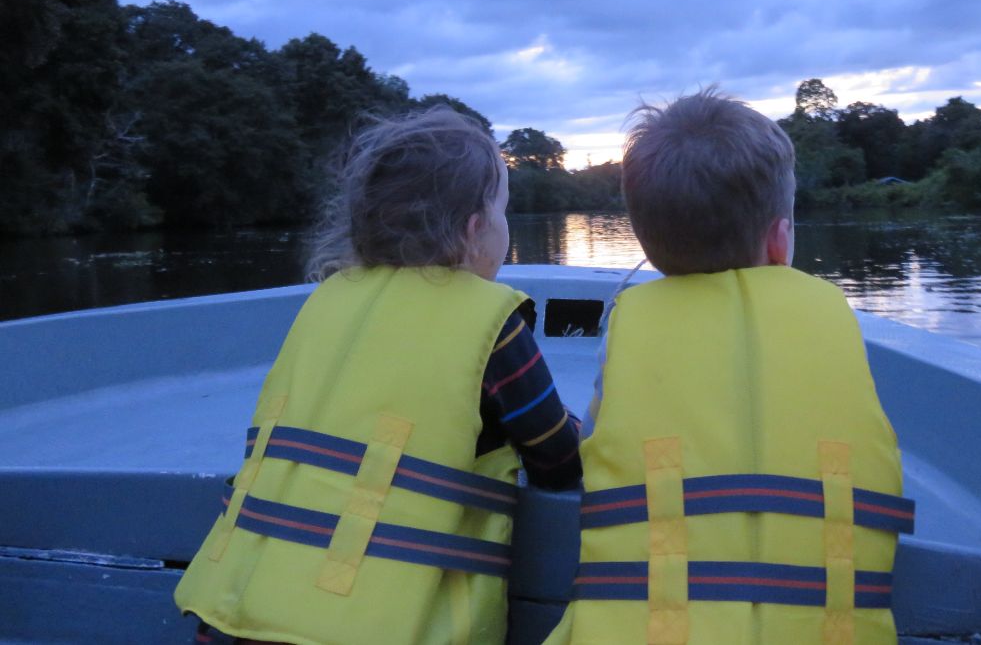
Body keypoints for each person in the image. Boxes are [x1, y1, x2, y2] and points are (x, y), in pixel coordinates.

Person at [174, 107, 582, 645]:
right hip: (377, 626)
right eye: (504, 209)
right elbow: (557, 461)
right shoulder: (492, 322)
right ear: (475, 228)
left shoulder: (327, 301)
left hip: (235, 614)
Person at [548, 89, 913, 644]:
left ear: (649, 243)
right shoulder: (830, 317)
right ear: (780, 240)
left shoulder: (631, 324)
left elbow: (596, 451)